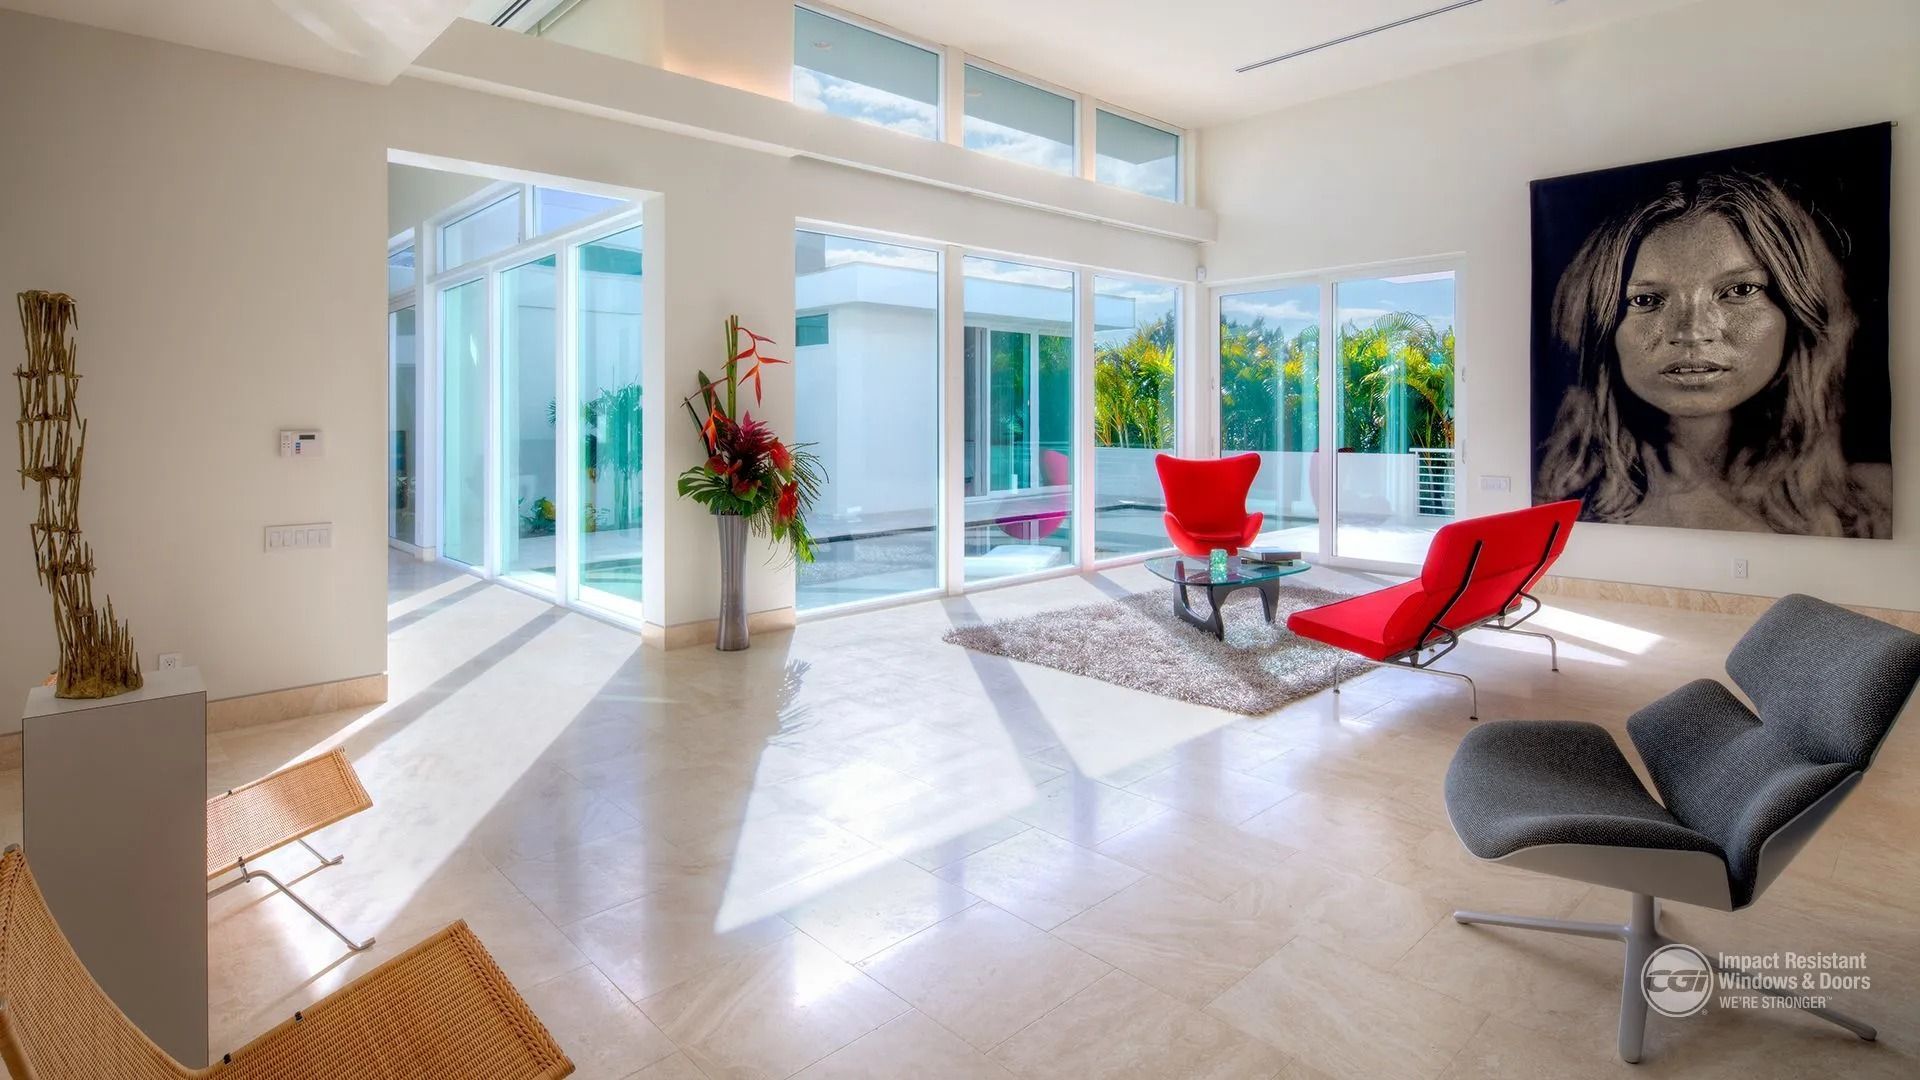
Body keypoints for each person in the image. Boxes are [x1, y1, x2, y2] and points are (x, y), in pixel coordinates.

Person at [1536, 171, 1890, 538]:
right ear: (1601, 327)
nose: (1691, 332)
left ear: (1796, 310)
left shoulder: (1877, 502)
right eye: (1646, 300)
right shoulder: (1552, 510)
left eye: (1739, 289)